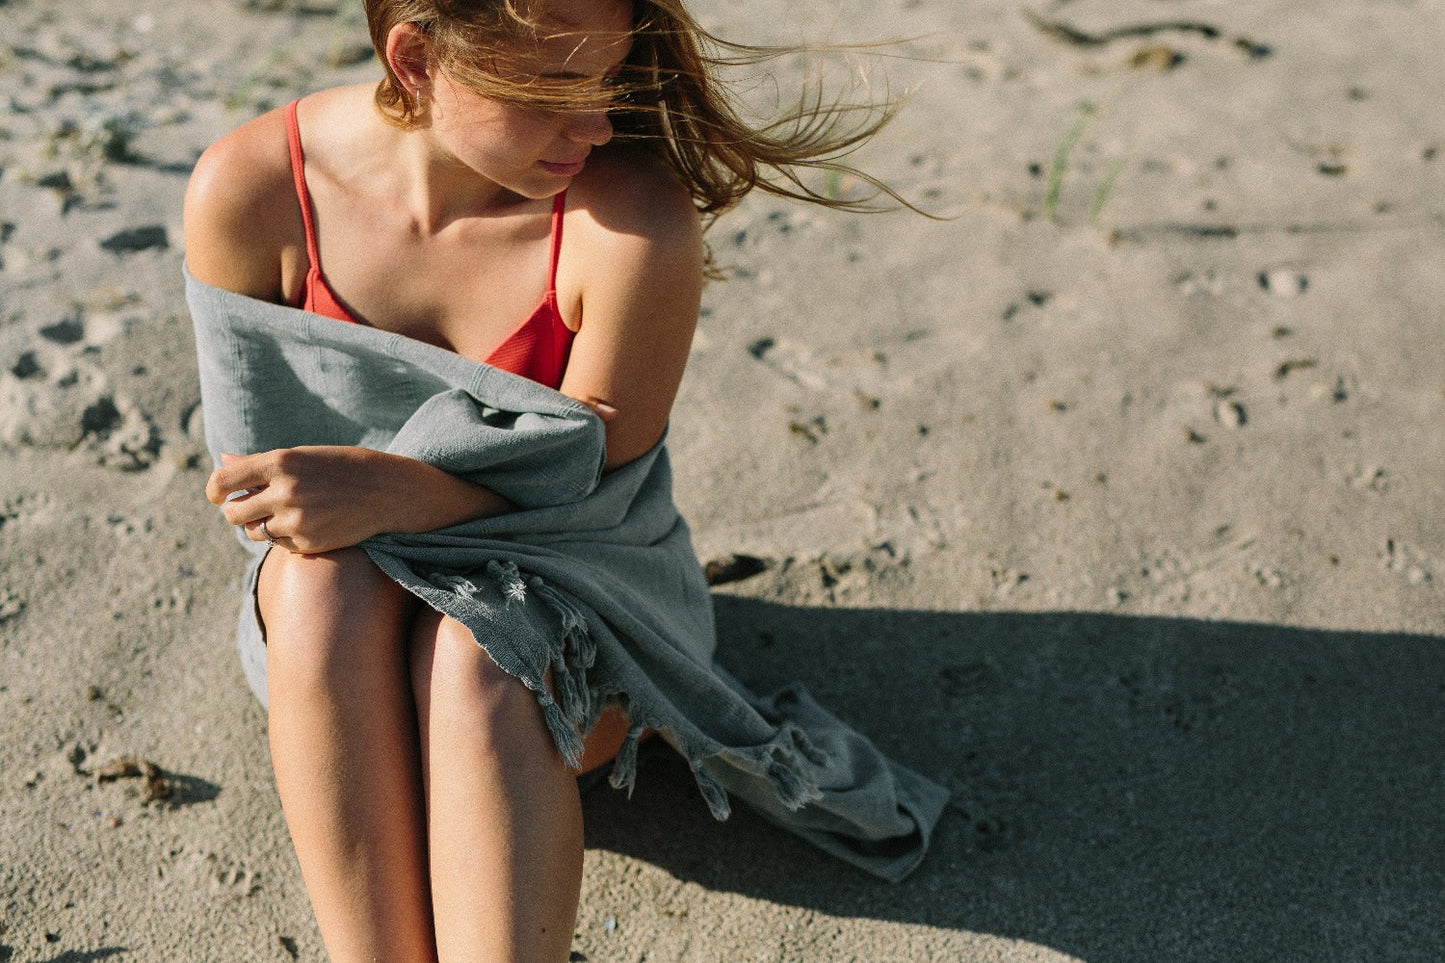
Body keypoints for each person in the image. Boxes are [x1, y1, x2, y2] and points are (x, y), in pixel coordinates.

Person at [184, 1, 938, 961]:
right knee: (317, 583)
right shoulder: (252, 191)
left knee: (478, 655)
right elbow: (263, 498)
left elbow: (607, 471)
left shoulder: (630, 224)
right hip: (335, 657)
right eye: (551, 90)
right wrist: (370, 516)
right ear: (413, 57)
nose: (594, 127)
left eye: (610, 83)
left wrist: (407, 490)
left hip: (582, 607)